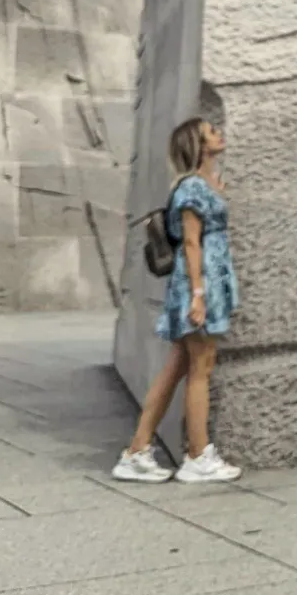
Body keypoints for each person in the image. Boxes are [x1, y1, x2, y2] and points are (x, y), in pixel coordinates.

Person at [111, 119, 243, 485]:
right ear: (198, 145)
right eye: (211, 132)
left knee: (177, 370)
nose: (219, 134)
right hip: (196, 287)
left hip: (205, 285)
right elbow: (190, 244)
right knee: (200, 369)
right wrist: (198, 296)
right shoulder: (191, 190)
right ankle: (198, 456)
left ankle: (137, 451)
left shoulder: (204, 186)